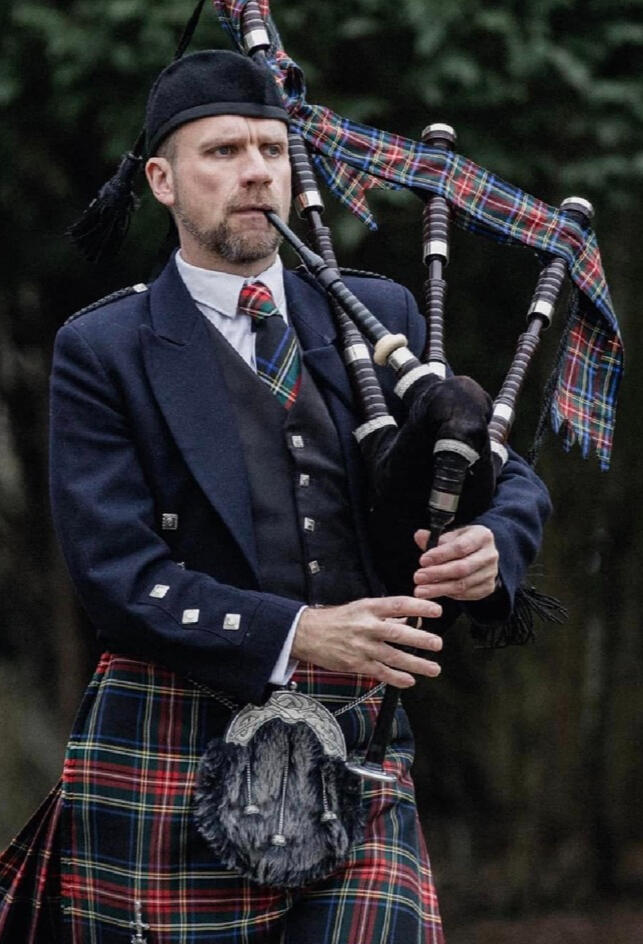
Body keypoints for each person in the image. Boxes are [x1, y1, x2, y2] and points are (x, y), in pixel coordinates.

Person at [0, 49, 550, 943]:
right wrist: (297, 632)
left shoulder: (377, 316)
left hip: (355, 737)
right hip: (173, 729)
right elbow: (115, 572)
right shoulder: (105, 349)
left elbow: (500, 469)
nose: (256, 171)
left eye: (271, 149)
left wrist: (494, 544)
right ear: (162, 181)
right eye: (222, 151)